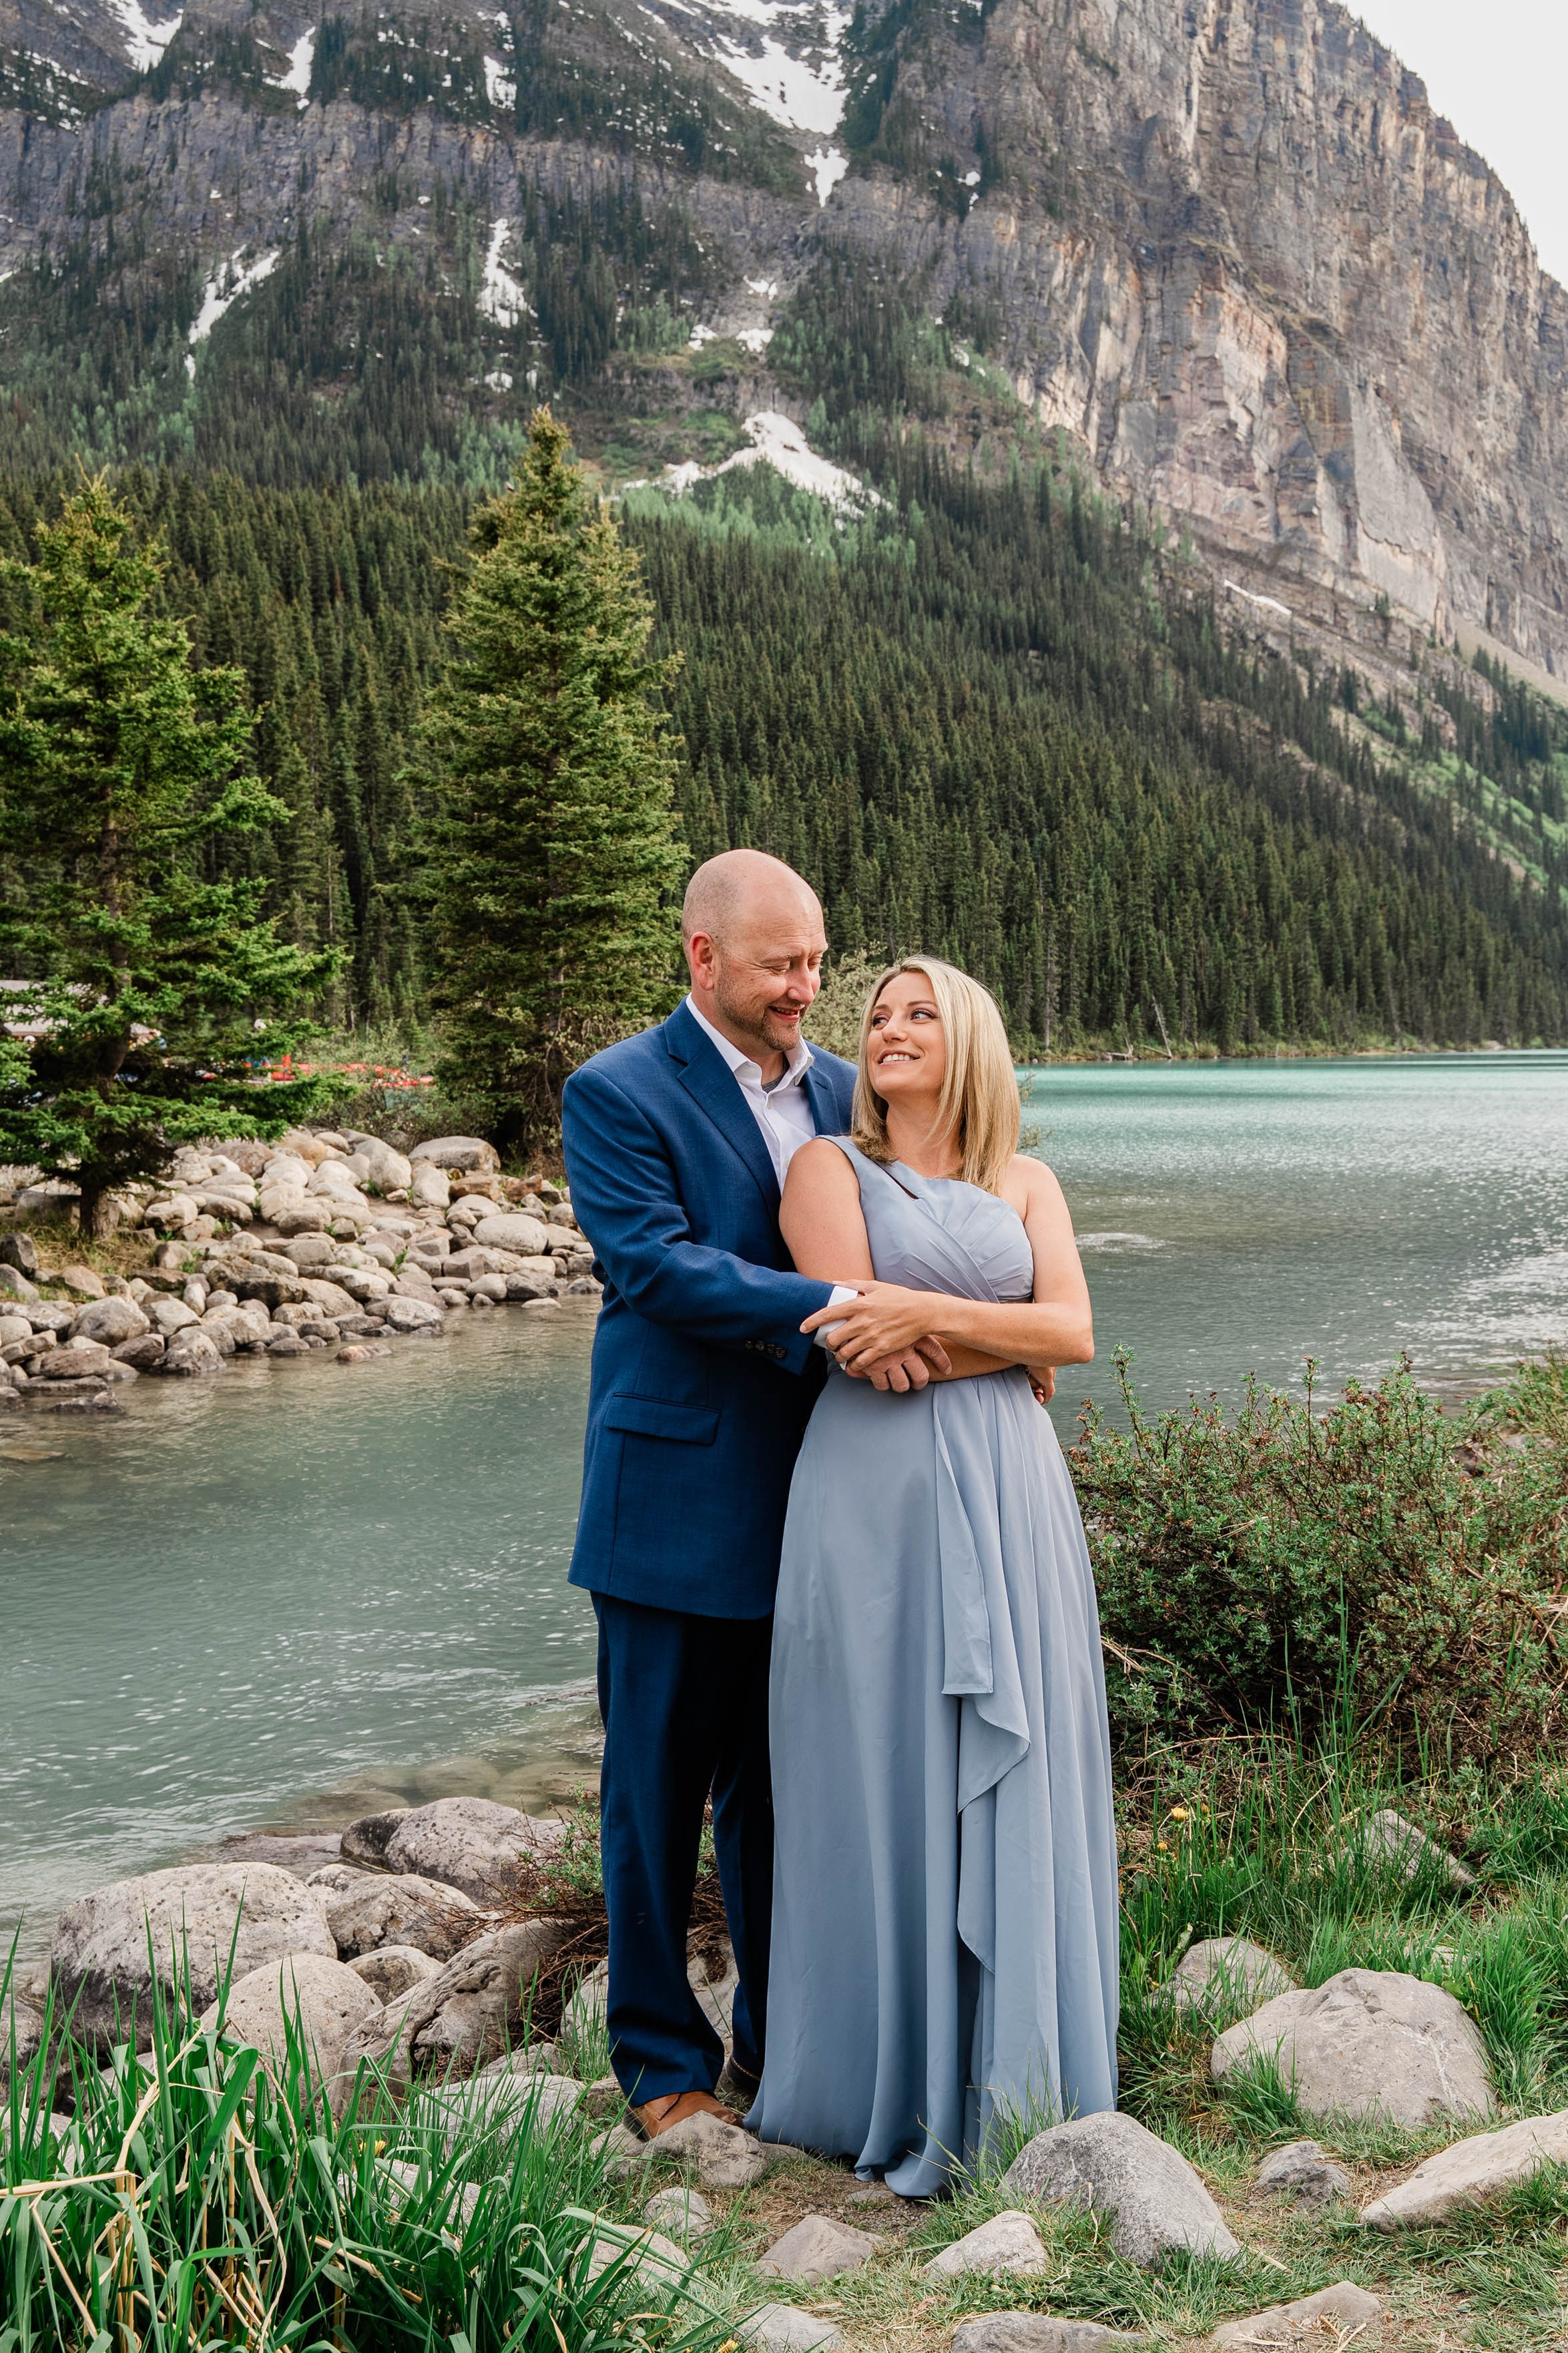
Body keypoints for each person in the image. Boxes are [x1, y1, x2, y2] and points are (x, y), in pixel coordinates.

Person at [560, 851, 948, 2137]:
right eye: (783, 965)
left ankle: (788, 2058)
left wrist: (988, 1343)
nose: (808, 987)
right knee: (655, 1795)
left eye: (818, 960)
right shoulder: (616, 1092)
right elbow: (658, 1270)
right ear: (702, 958)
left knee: (790, 1795)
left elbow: (928, 1221)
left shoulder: (850, 1091)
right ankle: (662, 2070)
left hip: (829, 1503)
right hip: (672, 1502)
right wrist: (847, 1309)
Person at [747, 955, 1120, 2193]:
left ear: (971, 1042)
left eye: (919, 1014)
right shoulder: (823, 1170)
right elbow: (860, 1346)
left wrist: (938, 1321)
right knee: (882, 1764)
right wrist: (994, 1346)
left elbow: (1072, 1330)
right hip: (876, 1503)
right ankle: (878, 2081)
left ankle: (1017, 2080)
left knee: (1025, 1759)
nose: (889, 1030)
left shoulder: (1031, 1180)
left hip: (1015, 1498)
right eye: (877, 1016)